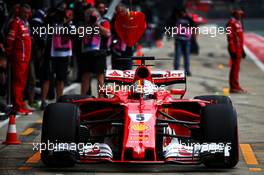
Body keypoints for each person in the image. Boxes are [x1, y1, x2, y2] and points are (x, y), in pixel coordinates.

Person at [40, 9, 73, 109]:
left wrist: (66, 23)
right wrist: (51, 18)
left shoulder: (69, 26)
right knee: (46, 79)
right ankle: (43, 101)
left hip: (63, 55)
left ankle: (59, 100)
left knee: (60, 79)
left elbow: (74, 35)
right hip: (50, 55)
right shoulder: (50, 25)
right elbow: (44, 26)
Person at [5, 4, 32, 115]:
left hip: (26, 58)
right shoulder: (15, 23)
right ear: (20, 12)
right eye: (24, 12)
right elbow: (10, 40)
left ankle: (20, 105)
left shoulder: (25, 24)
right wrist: (9, 55)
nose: (26, 15)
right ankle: (17, 107)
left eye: (28, 13)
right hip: (18, 58)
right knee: (18, 83)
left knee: (22, 83)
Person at [80, 5, 111, 97]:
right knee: (85, 76)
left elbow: (107, 33)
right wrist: (87, 25)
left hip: (99, 53)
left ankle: (101, 98)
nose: (91, 17)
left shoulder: (103, 22)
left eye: (92, 16)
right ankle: (83, 98)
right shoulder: (85, 23)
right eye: (89, 15)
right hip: (86, 52)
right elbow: (79, 34)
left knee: (100, 77)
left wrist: (97, 25)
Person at [226, 9, 247, 93]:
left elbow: (240, 38)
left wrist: (242, 50)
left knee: (237, 68)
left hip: (239, 48)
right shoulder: (231, 23)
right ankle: (234, 87)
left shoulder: (238, 23)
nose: (241, 16)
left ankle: (236, 86)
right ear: (235, 14)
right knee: (234, 68)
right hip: (234, 48)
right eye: (239, 14)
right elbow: (230, 37)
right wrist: (233, 49)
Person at [172, 7, 194, 76]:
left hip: (187, 40)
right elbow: (172, 24)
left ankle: (187, 70)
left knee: (186, 56)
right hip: (179, 39)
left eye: (184, 12)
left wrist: (190, 17)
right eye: (182, 12)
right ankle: (176, 71)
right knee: (177, 56)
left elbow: (193, 25)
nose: (183, 13)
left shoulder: (189, 19)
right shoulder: (177, 17)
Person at [111, 4, 133, 70]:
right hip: (116, 50)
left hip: (127, 51)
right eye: (118, 12)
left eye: (122, 11)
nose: (120, 13)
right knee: (117, 71)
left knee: (127, 71)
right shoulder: (113, 21)